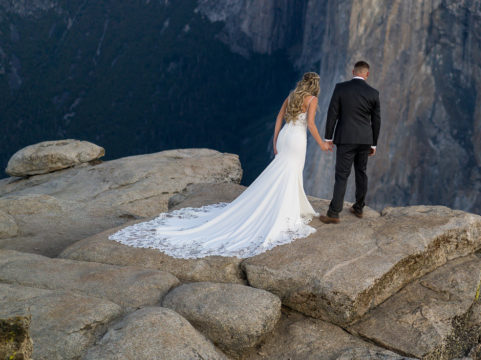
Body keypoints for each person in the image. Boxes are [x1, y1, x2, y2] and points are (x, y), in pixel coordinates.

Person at [109, 72, 332, 259]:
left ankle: (288, 204)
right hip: (297, 140)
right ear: (315, 86)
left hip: (285, 137)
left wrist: (274, 141)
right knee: (291, 172)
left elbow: (278, 118)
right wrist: (321, 143)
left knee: (282, 171)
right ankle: (287, 209)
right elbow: (310, 123)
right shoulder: (312, 100)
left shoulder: (292, 95)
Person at [319, 60, 381, 223]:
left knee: (342, 176)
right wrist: (373, 144)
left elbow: (332, 113)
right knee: (361, 172)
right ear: (367, 74)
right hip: (364, 140)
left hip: (345, 139)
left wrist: (328, 138)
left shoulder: (341, 88)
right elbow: (377, 121)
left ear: (353, 72)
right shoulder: (373, 93)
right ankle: (359, 208)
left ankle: (334, 213)